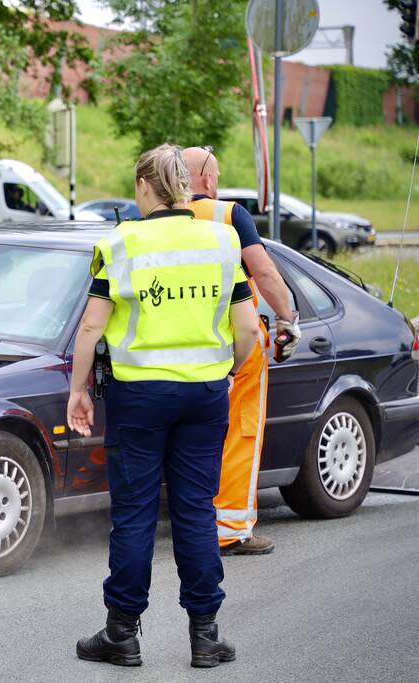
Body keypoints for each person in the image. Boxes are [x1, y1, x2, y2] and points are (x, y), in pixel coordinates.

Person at [68, 144, 261, 669]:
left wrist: (78, 390)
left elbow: (90, 326)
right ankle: (205, 637)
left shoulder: (122, 243)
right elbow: (247, 327)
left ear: (143, 187)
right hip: (204, 395)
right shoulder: (222, 240)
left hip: (139, 398)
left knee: (134, 516)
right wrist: (223, 370)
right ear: (187, 185)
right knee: (197, 510)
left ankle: (121, 635)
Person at [181, 146, 301, 556]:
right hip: (234, 340)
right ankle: (230, 529)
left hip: (175, 344)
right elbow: (263, 271)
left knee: (192, 437)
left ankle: (192, 523)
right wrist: (287, 318)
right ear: (209, 180)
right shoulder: (228, 215)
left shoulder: (154, 217)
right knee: (239, 431)